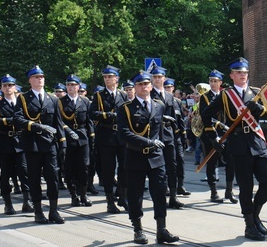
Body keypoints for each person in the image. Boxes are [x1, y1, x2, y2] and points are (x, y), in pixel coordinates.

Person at [201, 57, 267, 241]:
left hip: (257, 142)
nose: (243, 75)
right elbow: (206, 114)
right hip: (238, 144)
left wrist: (259, 109)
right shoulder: (225, 96)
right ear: (231, 75)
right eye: (239, 72)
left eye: (245, 72)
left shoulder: (256, 93)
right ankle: (249, 224)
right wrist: (213, 137)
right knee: (246, 187)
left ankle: (255, 214)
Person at [118, 71, 179, 244]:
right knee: (135, 195)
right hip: (136, 157)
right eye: (140, 85)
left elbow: (159, 130)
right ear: (135, 88)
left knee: (159, 194)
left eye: (146, 84)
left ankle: (162, 229)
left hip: (156, 158)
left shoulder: (158, 105)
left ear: (151, 86)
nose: (144, 87)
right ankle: (138, 230)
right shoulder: (126, 108)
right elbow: (123, 134)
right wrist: (148, 142)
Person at [14, 65, 71, 224]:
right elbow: (17, 119)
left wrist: (63, 143)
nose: (40, 79)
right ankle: (38, 211)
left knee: (53, 177)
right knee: (34, 178)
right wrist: (35, 126)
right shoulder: (23, 99)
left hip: (49, 144)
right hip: (32, 144)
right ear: (30, 80)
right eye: (36, 77)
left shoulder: (52, 99)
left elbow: (58, 123)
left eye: (42, 77)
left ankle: (54, 211)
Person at [88, 65, 129, 214]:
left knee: (124, 167)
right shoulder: (99, 95)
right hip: (105, 136)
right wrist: (108, 115)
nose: (107, 79)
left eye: (110, 77)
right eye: (105, 77)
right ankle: (110, 201)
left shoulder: (123, 95)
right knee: (108, 170)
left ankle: (123, 197)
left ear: (116, 79)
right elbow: (92, 113)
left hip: (121, 137)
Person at [0, 75, 34, 215]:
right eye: (5, 86)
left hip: (21, 140)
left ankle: (26, 201)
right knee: (5, 173)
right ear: (1, 88)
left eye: (10, 85)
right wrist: (10, 120)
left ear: (15, 87)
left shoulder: (22, 102)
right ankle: (8, 203)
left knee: (24, 172)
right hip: (4, 141)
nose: (8, 88)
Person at [198, 70, 237, 203]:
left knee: (230, 162)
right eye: (211, 81)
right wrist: (217, 129)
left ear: (220, 82)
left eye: (215, 81)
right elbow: (205, 115)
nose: (213, 83)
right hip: (211, 134)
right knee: (212, 163)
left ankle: (229, 191)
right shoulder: (205, 97)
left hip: (227, 134)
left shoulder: (226, 95)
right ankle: (213, 192)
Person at [149, 65, 184, 209]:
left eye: (160, 77)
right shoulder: (149, 95)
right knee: (157, 167)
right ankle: (160, 196)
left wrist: (179, 135)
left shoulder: (170, 96)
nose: (157, 80)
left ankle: (173, 197)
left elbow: (176, 118)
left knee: (172, 165)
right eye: (155, 77)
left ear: (164, 78)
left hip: (169, 135)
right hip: (155, 134)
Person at [59, 75, 94, 207]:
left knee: (84, 167)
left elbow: (88, 121)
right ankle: (73, 195)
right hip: (68, 138)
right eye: (68, 85)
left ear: (78, 87)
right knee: (69, 168)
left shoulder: (84, 101)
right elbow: (59, 121)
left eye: (73, 85)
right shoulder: (60, 102)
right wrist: (67, 132)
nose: (70, 87)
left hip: (83, 137)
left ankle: (84, 194)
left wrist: (92, 136)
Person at [163, 78, 191, 196]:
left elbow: (180, 121)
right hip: (165, 135)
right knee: (167, 162)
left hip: (177, 135)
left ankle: (180, 185)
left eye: (170, 88)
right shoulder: (160, 101)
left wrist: (184, 136)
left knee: (180, 160)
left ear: (173, 88)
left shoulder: (177, 102)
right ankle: (166, 186)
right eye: (166, 88)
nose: (168, 90)